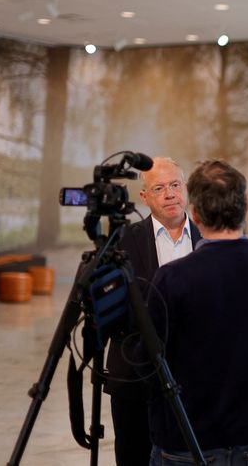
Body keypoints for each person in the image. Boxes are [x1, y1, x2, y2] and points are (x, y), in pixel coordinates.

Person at [144, 158, 248, 466]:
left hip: (185, 444)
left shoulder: (172, 279)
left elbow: (149, 365)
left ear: (195, 213)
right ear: (245, 204)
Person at [105, 156, 202, 466]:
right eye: (159, 188)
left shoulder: (211, 238)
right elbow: (113, 313)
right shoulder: (122, 242)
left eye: (175, 185)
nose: (170, 194)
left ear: (186, 189)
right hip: (136, 380)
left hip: (198, 382)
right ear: (144, 198)